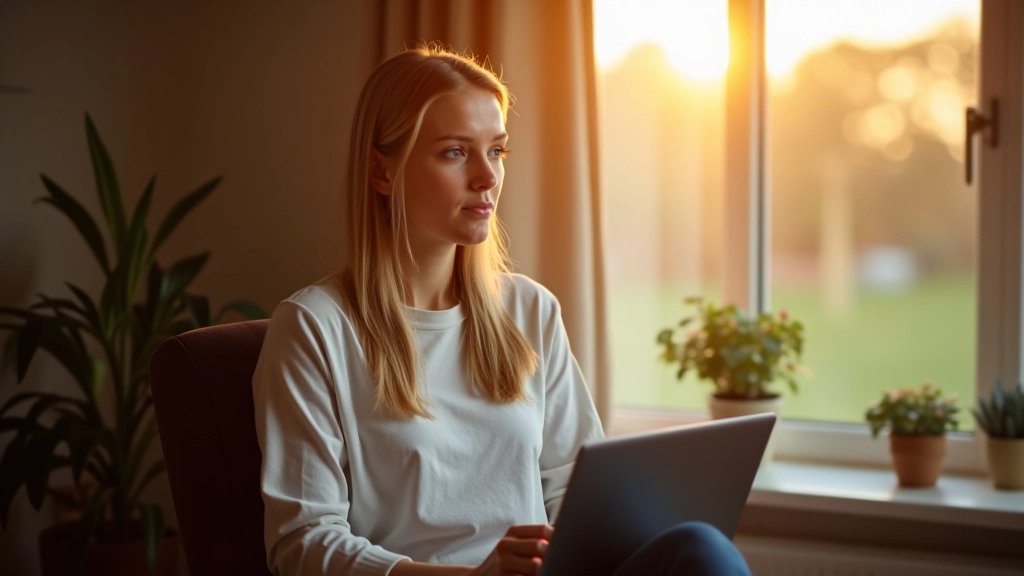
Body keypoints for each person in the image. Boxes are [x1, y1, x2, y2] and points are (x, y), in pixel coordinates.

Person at [252, 45, 752, 576]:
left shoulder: (529, 309)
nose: (487, 178)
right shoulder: (314, 328)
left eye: (496, 151)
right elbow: (303, 545)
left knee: (700, 548)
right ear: (382, 172)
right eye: (454, 152)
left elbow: (574, 495)